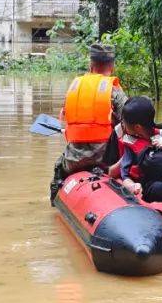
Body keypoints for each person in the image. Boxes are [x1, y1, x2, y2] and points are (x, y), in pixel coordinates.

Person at [50, 43, 127, 202]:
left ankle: (55, 200)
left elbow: (67, 119)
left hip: (73, 160)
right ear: (112, 66)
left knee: (58, 166)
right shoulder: (114, 91)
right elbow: (129, 122)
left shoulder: (74, 88)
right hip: (105, 159)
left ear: (90, 65)